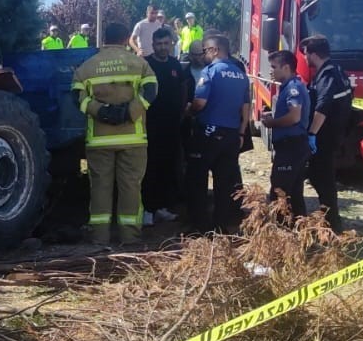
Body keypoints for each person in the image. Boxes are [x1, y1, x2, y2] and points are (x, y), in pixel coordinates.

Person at [73, 22, 158, 244]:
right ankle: (130, 237)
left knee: (100, 188)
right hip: (133, 139)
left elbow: (76, 96)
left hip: (99, 140)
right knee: (131, 187)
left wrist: (101, 112)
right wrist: (130, 112)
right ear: (126, 38)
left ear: (104, 39)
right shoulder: (139, 64)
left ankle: (100, 238)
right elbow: (151, 90)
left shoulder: (87, 67)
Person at [185, 34, 252, 232]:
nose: (204, 54)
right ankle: (221, 226)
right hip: (232, 135)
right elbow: (246, 108)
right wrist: (241, 133)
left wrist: (189, 110)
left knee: (197, 180)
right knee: (224, 183)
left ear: (215, 50)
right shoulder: (240, 74)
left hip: (208, 133)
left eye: (206, 50)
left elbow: (200, 103)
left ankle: (200, 227)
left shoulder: (210, 72)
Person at [140, 26, 193, 224]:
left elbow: (183, 87)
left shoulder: (175, 65)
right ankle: (146, 209)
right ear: (153, 45)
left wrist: (182, 111)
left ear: (171, 44)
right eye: (159, 44)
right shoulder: (146, 64)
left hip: (172, 125)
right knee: (149, 167)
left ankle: (161, 207)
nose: (162, 47)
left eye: (166, 43)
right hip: (150, 125)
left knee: (167, 166)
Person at [301, 34, 353, 231]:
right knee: (318, 176)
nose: (305, 58)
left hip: (325, 136)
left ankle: (332, 224)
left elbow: (323, 105)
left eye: (306, 54)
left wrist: (312, 133)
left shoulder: (328, 75)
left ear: (314, 54)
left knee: (323, 179)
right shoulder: (337, 70)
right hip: (335, 133)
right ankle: (328, 219)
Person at [260, 50, 311, 222]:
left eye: (274, 67)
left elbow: (294, 117)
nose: (271, 71)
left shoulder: (293, 88)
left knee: (280, 192)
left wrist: (272, 123)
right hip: (292, 146)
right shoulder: (289, 87)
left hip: (291, 147)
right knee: (295, 194)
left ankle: (280, 233)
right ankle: (299, 233)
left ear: (286, 67)